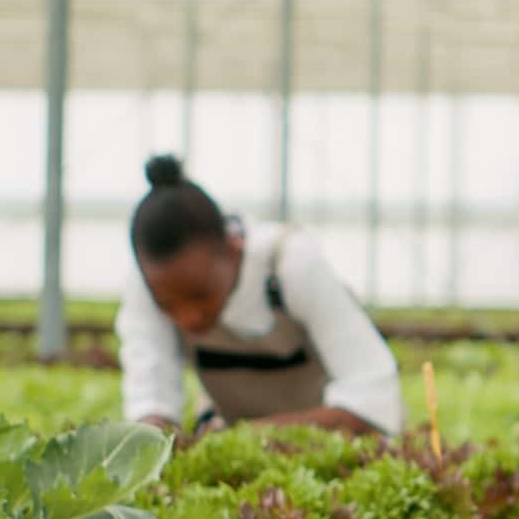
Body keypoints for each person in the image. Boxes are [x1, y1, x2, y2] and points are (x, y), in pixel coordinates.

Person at [115, 155, 402, 437]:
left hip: (327, 451)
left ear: (232, 247)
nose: (187, 317)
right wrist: (155, 437)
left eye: (201, 296)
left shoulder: (291, 265)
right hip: (238, 451)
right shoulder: (153, 285)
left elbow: (373, 399)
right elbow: (150, 397)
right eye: (168, 306)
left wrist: (246, 437)